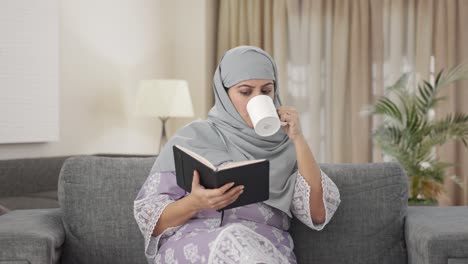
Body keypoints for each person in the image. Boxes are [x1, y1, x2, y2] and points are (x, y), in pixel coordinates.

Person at [134, 46, 341, 264]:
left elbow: (318, 214)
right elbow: (153, 223)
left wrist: (298, 139)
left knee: (242, 247)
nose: (257, 99)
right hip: (191, 247)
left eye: (266, 91)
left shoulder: (288, 147)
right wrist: (195, 202)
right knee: (229, 240)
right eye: (245, 91)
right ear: (224, 94)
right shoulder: (190, 138)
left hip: (264, 249)